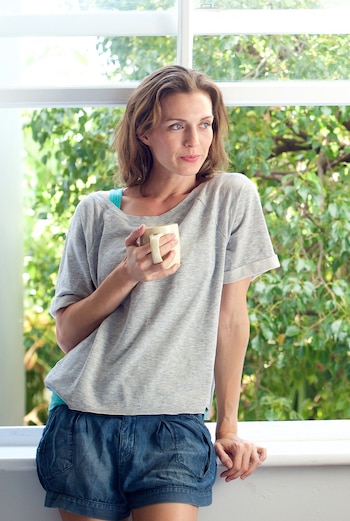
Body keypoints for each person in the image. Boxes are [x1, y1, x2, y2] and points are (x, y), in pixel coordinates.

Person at [36, 65, 280, 521]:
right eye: (176, 126)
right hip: (83, 421)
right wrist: (126, 274)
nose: (195, 141)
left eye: (204, 124)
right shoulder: (96, 212)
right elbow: (68, 336)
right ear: (145, 132)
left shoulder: (231, 198)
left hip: (174, 426)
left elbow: (231, 320)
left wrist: (227, 427)